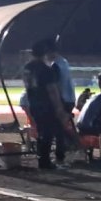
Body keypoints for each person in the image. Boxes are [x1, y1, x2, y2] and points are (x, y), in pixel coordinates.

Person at [23, 38, 74, 170]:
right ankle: (46, 162)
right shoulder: (46, 69)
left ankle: (43, 159)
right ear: (44, 52)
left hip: (34, 104)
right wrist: (59, 109)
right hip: (46, 105)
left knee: (42, 132)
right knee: (50, 133)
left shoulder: (27, 68)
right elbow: (52, 91)